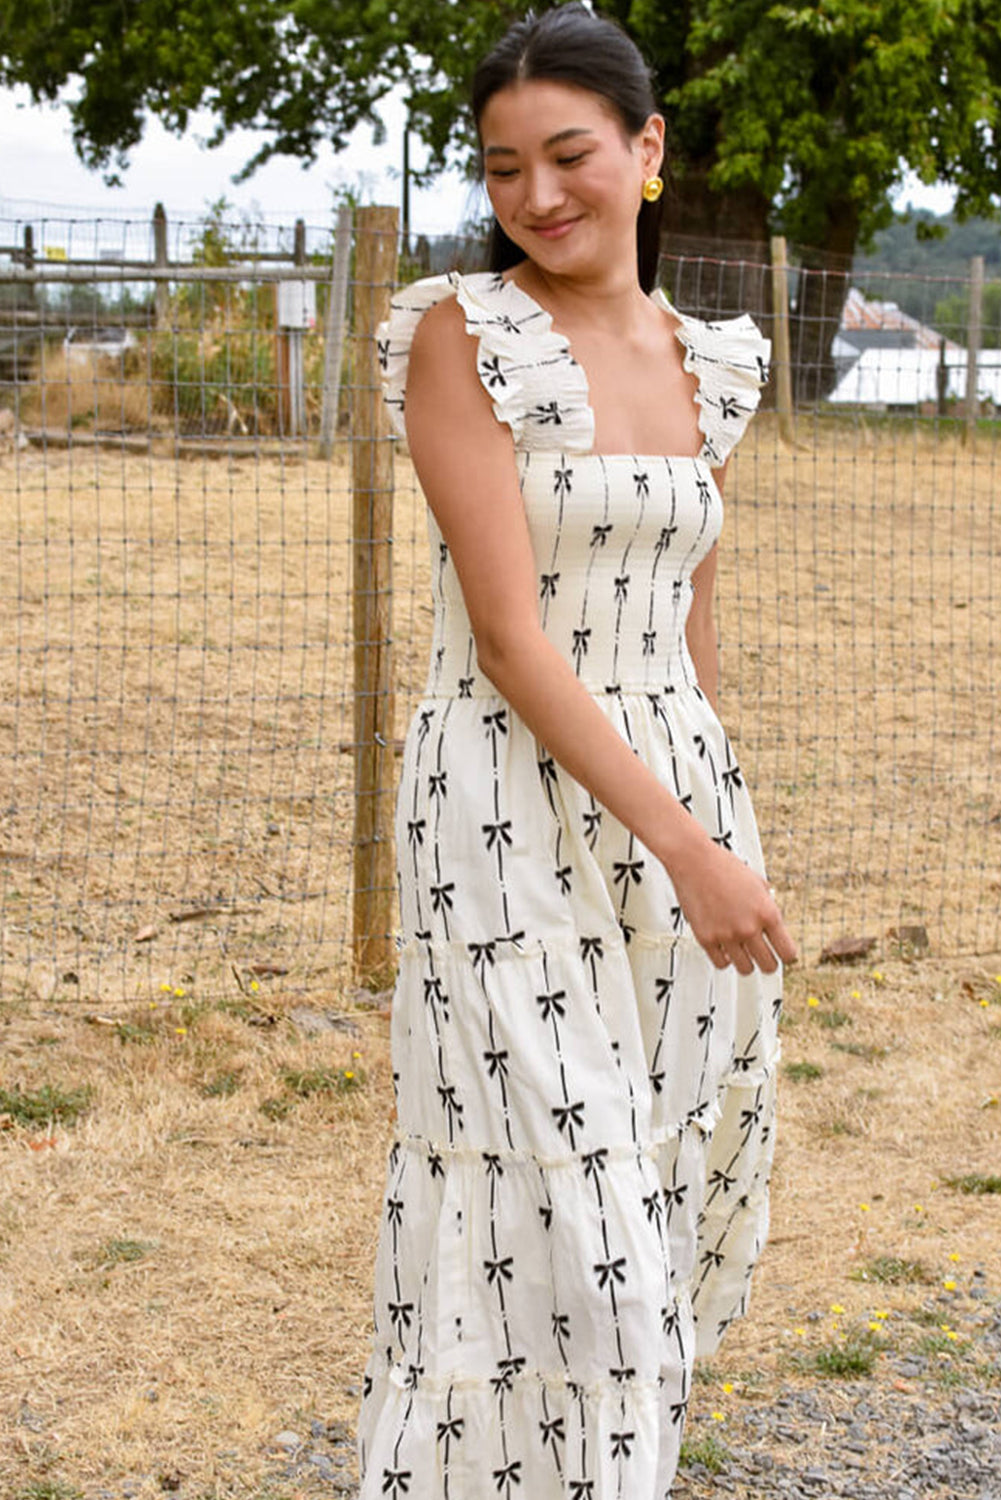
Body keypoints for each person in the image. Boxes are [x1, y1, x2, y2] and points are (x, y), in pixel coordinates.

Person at [356, 5, 797, 1496]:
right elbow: (507, 638)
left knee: (658, 1180)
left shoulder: (711, 362)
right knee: (564, 1206)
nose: (536, 196)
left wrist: (711, 824)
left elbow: (688, 627)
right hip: (499, 794)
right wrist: (690, 849)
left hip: (671, 790)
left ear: (646, 149)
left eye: (567, 156)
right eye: (501, 169)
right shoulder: (460, 337)